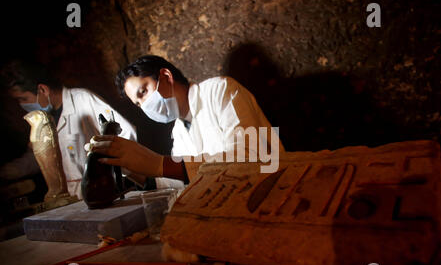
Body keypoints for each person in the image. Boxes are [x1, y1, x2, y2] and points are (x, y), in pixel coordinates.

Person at [88, 55, 284, 186]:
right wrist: (130, 168)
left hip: (274, 193)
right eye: (138, 104)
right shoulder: (179, 130)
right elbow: (181, 179)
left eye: (144, 91)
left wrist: (158, 163)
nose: (145, 105)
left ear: (165, 76)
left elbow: (249, 159)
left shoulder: (221, 90)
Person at [1, 60, 137, 198]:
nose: (22, 105)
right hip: (70, 198)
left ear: (43, 90)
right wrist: (5, 173)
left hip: (102, 192)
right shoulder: (42, 120)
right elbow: (36, 158)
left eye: (23, 99)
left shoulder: (82, 99)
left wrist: (115, 175)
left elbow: (126, 131)